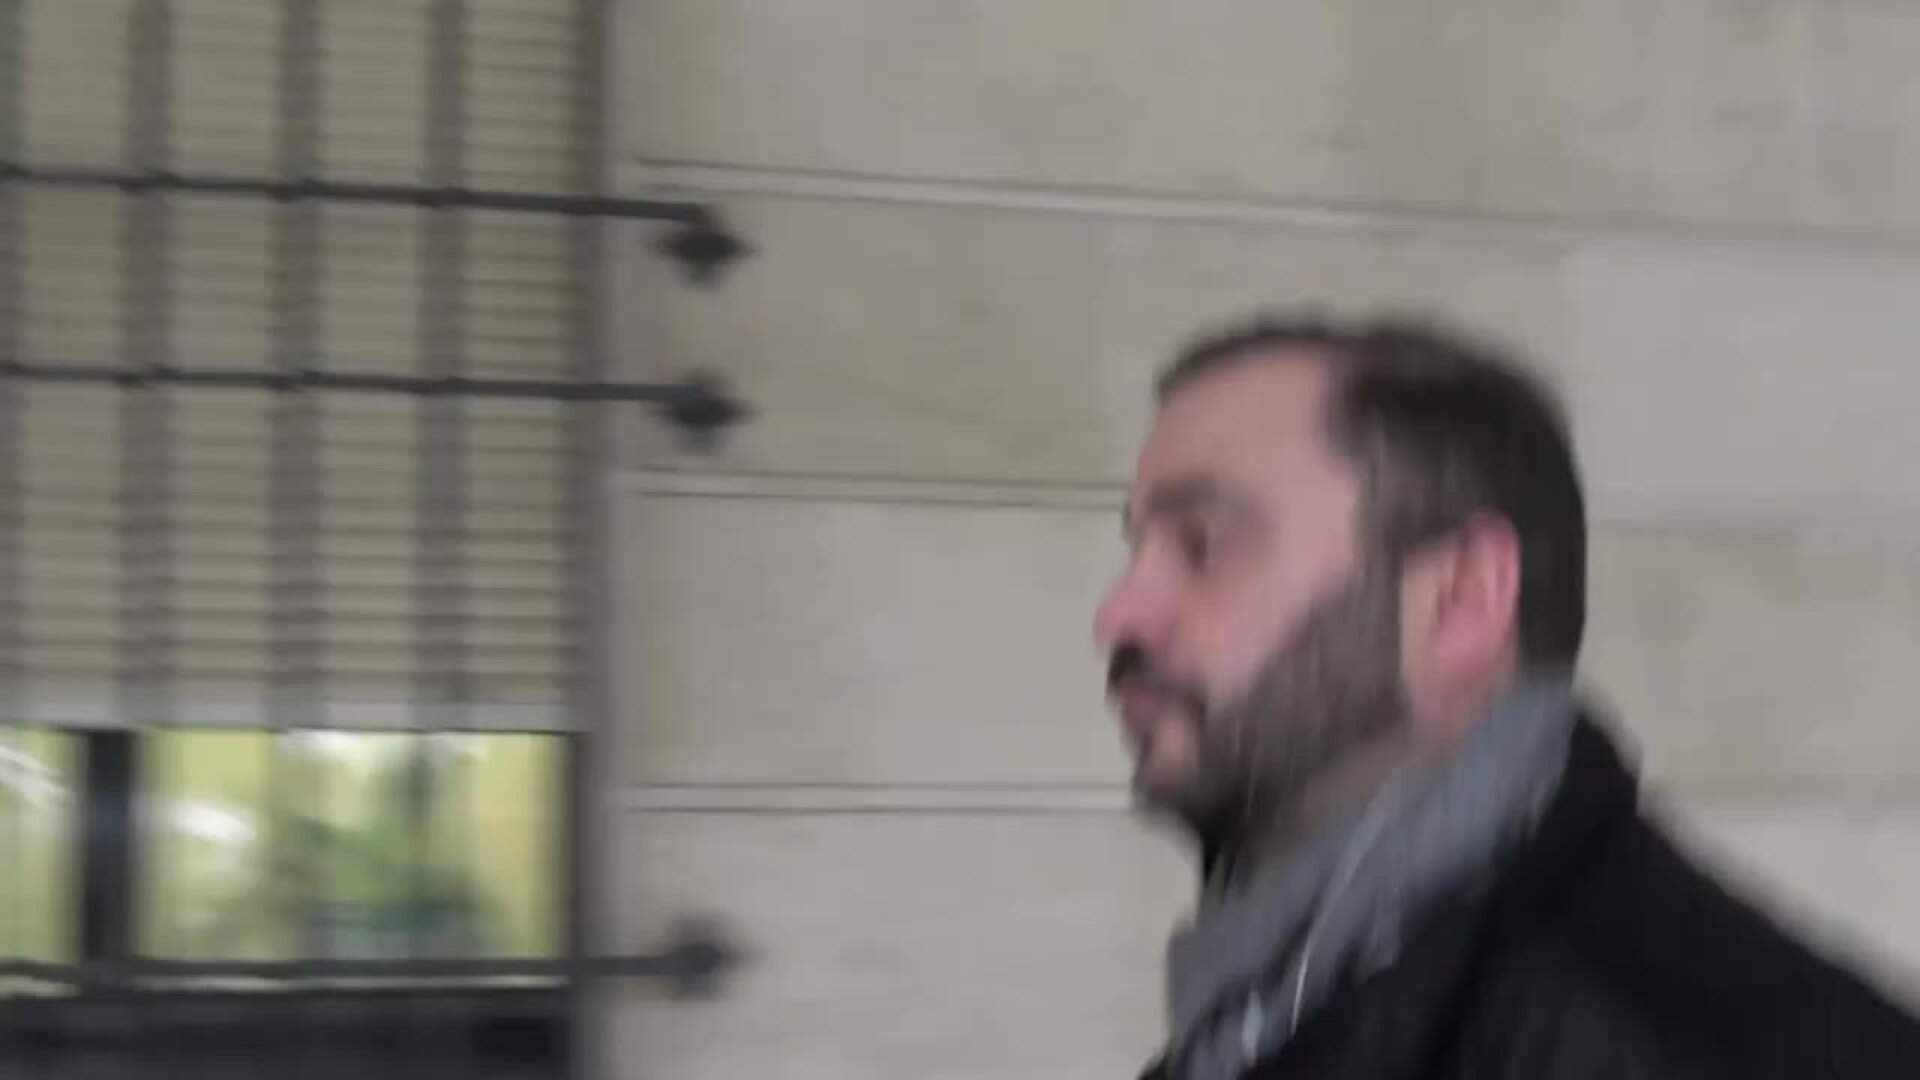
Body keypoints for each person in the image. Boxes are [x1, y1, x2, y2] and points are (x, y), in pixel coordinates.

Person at [1094, 312, 1920, 1080]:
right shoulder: (1281, 996)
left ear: (1463, 599)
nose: (1118, 615)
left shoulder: (1674, 1045)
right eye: (1137, 549)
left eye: (1203, 544)